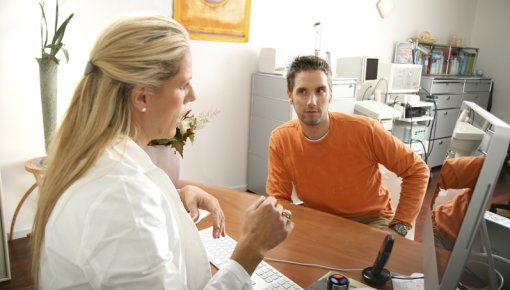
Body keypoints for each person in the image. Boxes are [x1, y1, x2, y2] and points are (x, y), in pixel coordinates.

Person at [31, 15, 294, 289]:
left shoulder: (101, 162)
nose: (193, 95)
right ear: (142, 97)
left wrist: (173, 200)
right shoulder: (120, 196)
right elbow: (126, 212)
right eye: (183, 85)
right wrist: (251, 249)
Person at [266, 55, 429, 237]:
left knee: (368, 264)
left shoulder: (366, 130)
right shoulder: (281, 138)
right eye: (302, 91)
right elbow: (278, 197)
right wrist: (288, 221)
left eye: (320, 91)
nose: (312, 101)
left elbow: (417, 170)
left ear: (330, 95)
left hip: (371, 219)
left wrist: (400, 226)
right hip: (318, 216)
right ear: (290, 95)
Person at [431, 155, 485, 250]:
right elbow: (435, 175)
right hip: (443, 234)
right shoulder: (491, 166)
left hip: (478, 253)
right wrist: (424, 219)